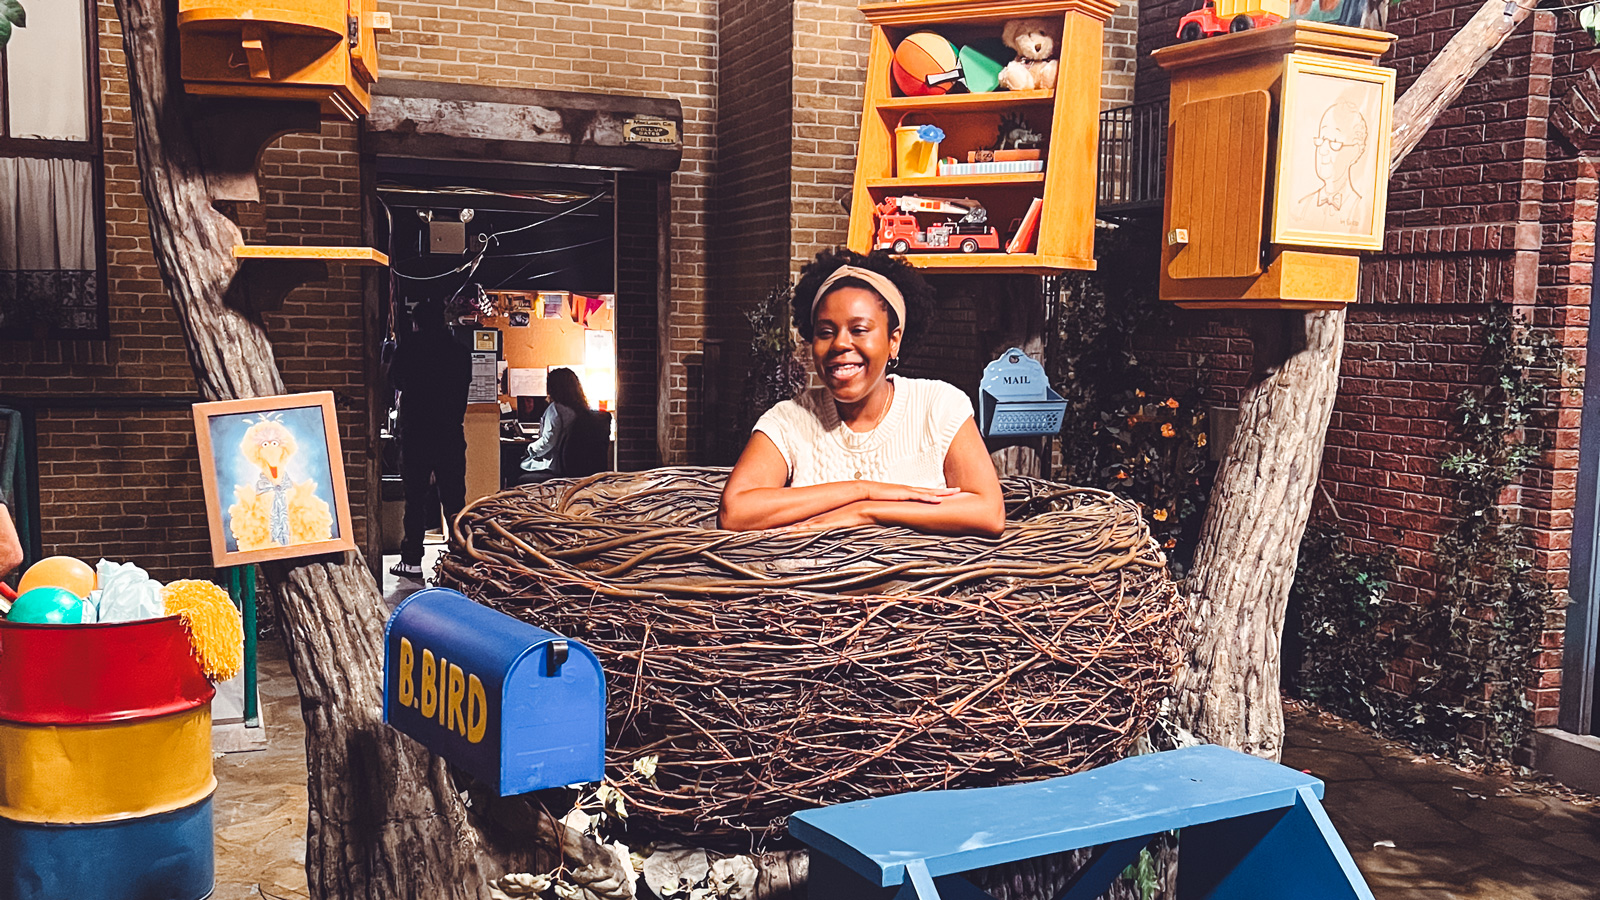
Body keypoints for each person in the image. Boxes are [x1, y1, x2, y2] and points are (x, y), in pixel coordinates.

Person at [720, 248, 1005, 537]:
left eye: (859, 330)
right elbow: (735, 512)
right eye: (825, 332)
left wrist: (867, 511)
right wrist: (861, 490)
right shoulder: (789, 419)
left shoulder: (939, 406)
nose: (839, 344)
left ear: (893, 341)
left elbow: (988, 512)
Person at [389, 299, 471, 580]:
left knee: (415, 499)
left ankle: (412, 559)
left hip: (417, 432)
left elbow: (397, 382)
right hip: (450, 432)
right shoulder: (460, 352)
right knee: (454, 500)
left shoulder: (409, 349)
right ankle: (460, 558)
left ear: (417, 323)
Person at [518, 367, 587, 480]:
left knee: (516, 466)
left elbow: (548, 441)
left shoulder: (555, 409)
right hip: (574, 466)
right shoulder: (581, 410)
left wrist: (530, 449)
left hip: (554, 466)